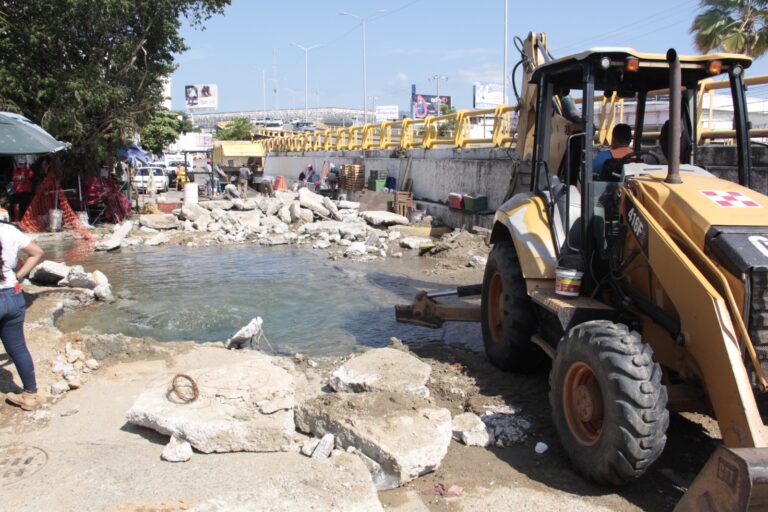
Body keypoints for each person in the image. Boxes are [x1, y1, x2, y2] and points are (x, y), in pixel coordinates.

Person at [2, 223, 44, 410]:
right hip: (13, 294)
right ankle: (30, 395)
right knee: (18, 348)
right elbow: (37, 252)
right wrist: (18, 276)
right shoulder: (9, 230)